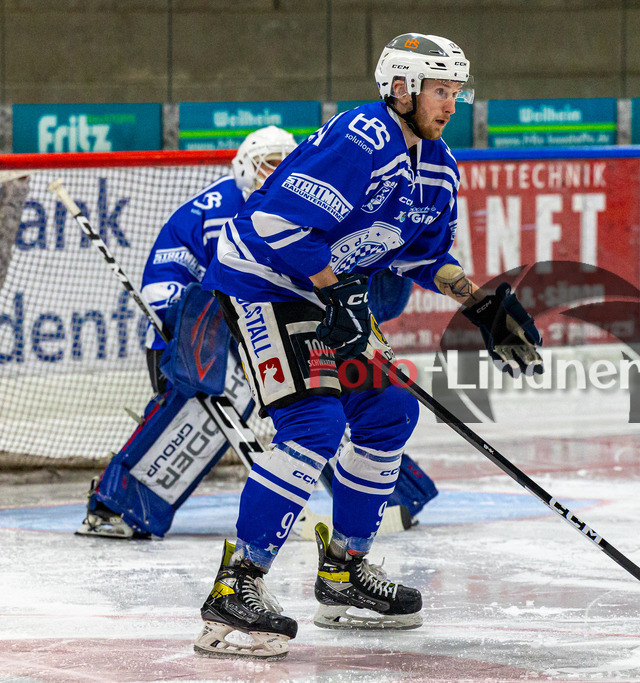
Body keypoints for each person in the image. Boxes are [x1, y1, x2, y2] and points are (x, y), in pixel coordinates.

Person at [194, 33, 543, 659]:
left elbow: (422, 257)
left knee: (390, 409)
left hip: (326, 292)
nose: (452, 104)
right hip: (264, 281)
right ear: (401, 88)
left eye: (457, 92)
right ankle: (236, 584)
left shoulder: (438, 167)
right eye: (441, 90)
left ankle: (344, 571)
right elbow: (275, 225)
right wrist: (338, 291)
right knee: (314, 423)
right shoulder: (362, 137)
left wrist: (480, 303)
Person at [76, 126, 431, 541]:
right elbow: (164, 282)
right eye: (268, 163)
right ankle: (120, 505)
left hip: (274, 331)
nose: (276, 171)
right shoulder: (209, 210)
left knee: (323, 406)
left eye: (284, 163)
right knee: (206, 404)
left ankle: (385, 496)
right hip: (198, 347)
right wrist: (190, 320)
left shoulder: (308, 206)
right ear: (245, 168)